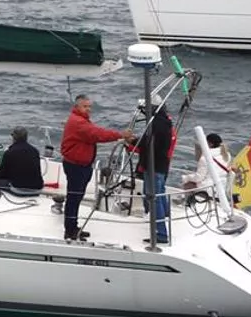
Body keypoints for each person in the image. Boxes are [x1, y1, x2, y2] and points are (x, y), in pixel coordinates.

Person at [61, 94, 133, 240]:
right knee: (74, 198)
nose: (88, 109)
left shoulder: (81, 120)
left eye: (89, 106)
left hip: (81, 165)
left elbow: (95, 133)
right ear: (77, 107)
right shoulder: (78, 123)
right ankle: (70, 230)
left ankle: (72, 226)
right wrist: (120, 134)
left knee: (76, 197)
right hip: (76, 166)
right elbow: (96, 134)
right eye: (85, 106)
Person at [139, 100, 176, 244]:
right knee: (160, 194)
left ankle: (161, 233)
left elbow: (147, 144)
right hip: (162, 165)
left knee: (153, 198)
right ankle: (165, 217)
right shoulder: (166, 123)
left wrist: (132, 142)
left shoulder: (155, 125)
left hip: (153, 166)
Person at [0, 127, 45, 193]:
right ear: (26, 137)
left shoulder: (9, 152)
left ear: (14, 137)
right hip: (37, 187)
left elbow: (1, 174)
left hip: (18, 188)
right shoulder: (35, 151)